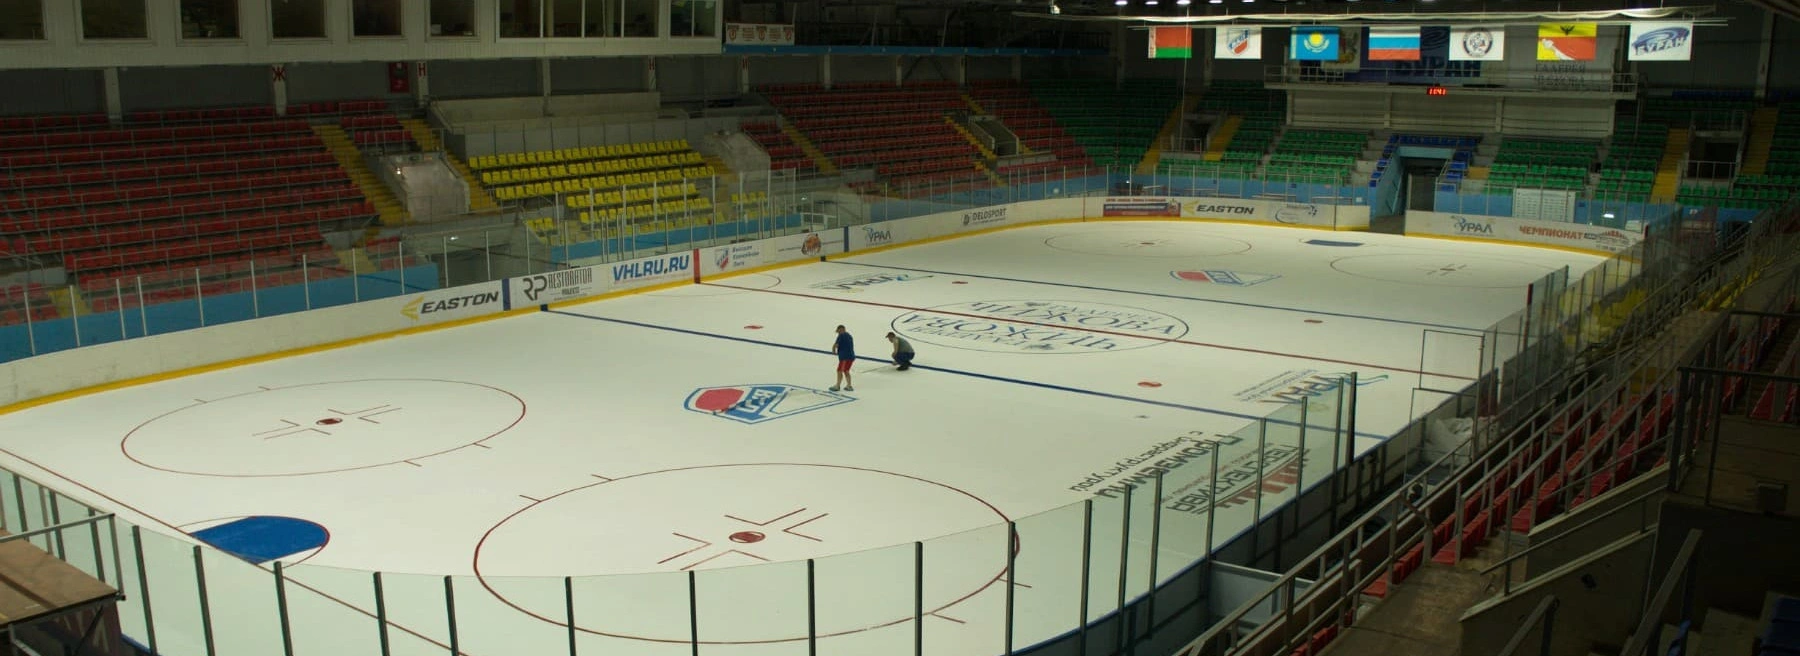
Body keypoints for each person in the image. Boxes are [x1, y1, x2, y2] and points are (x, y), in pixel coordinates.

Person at [830, 325, 855, 392]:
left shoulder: (841, 335)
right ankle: (849, 385)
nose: (838, 333)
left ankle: (837, 386)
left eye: (838, 331)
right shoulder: (849, 336)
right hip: (851, 356)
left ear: (841, 329)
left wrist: (833, 349)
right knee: (846, 370)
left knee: (839, 370)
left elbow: (836, 345)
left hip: (845, 357)